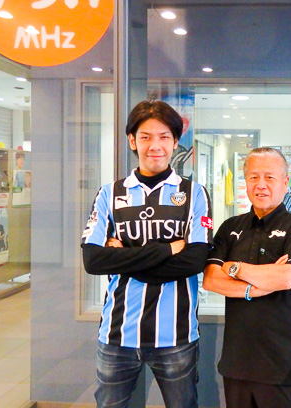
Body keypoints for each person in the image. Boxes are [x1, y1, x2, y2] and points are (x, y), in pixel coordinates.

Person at [81, 100, 212, 408]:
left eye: (164, 136)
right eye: (146, 137)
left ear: (175, 142)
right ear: (132, 141)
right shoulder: (109, 194)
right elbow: (93, 260)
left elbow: (195, 260)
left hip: (176, 336)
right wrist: (167, 249)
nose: (155, 145)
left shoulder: (194, 193)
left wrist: (124, 258)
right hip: (117, 335)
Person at [203, 147, 291, 408]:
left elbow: (286, 278)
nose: (261, 185)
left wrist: (233, 268)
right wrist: (254, 288)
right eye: (253, 177)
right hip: (237, 361)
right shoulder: (230, 227)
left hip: (282, 362)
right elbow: (211, 280)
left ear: (285, 183)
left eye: (270, 177)